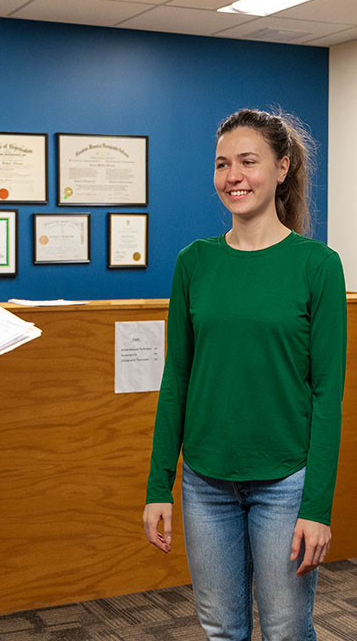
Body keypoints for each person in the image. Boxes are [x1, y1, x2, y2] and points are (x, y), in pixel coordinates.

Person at [143, 108, 346, 640]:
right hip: (205, 483)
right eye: (222, 164)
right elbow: (177, 379)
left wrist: (317, 506)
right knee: (220, 630)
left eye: (248, 161)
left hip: (285, 483)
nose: (233, 176)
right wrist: (157, 485)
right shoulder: (194, 263)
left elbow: (328, 396)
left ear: (281, 168)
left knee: (285, 629)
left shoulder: (317, 265)